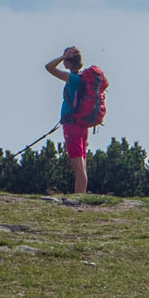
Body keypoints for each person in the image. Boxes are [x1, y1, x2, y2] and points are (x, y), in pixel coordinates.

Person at [42, 45, 106, 195]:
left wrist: (62, 57)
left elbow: (49, 67)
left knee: (78, 164)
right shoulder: (81, 79)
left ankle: (79, 196)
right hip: (82, 125)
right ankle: (80, 194)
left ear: (69, 61)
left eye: (66, 59)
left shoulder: (74, 79)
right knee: (81, 162)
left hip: (72, 125)